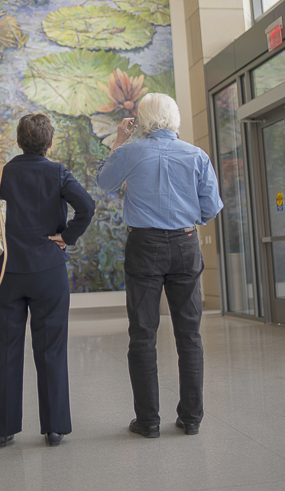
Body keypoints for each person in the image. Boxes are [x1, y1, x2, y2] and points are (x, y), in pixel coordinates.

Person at [0, 113, 95, 448]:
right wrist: (66, 236)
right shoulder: (58, 172)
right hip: (49, 274)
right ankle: (54, 429)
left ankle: (4, 431)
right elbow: (87, 207)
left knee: (5, 350)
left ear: (18, 141)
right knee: (51, 350)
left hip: (4, 275)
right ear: (49, 143)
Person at [96, 93, 223, 438]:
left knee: (142, 334)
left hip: (145, 245)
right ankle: (192, 418)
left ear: (143, 119)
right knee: (189, 334)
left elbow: (103, 183)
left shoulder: (131, 152)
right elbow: (211, 208)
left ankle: (148, 420)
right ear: (175, 118)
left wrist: (119, 141)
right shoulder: (197, 155)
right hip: (185, 244)